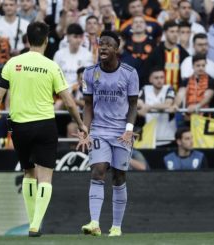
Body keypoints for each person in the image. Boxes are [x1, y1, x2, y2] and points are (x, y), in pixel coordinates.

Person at [0, 21, 88, 237]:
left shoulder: (13, 63)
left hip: (20, 128)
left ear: (27, 39)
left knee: (28, 173)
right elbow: (69, 101)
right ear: (45, 39)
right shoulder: (51, 65)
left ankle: (34, 221)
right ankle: (36, 222)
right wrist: (81, 124)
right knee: (45, 177)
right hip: (44, 125)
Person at [78, 30, 139, 237]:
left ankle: (116, 227)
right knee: (98, 169)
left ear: (116, 49)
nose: (103, 47)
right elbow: (87, 104)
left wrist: (129, 131)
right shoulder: (89, 73)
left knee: (119, 176)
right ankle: (94, 223)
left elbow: (133, 105)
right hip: (99, 131)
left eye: (108, 44)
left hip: (122, 132)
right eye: (100, 43)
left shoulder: (130, 73)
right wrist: (85, 129)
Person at [137, 67, 176, 147]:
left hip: (167, 136)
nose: (159, 80)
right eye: (156, 78)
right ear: (150, 79)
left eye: (162, 77)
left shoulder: (169, 88)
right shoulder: (145, 89)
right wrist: (143, 106)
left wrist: (149, 107)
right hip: (149, 136)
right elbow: (138, 102)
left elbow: (167, 104)